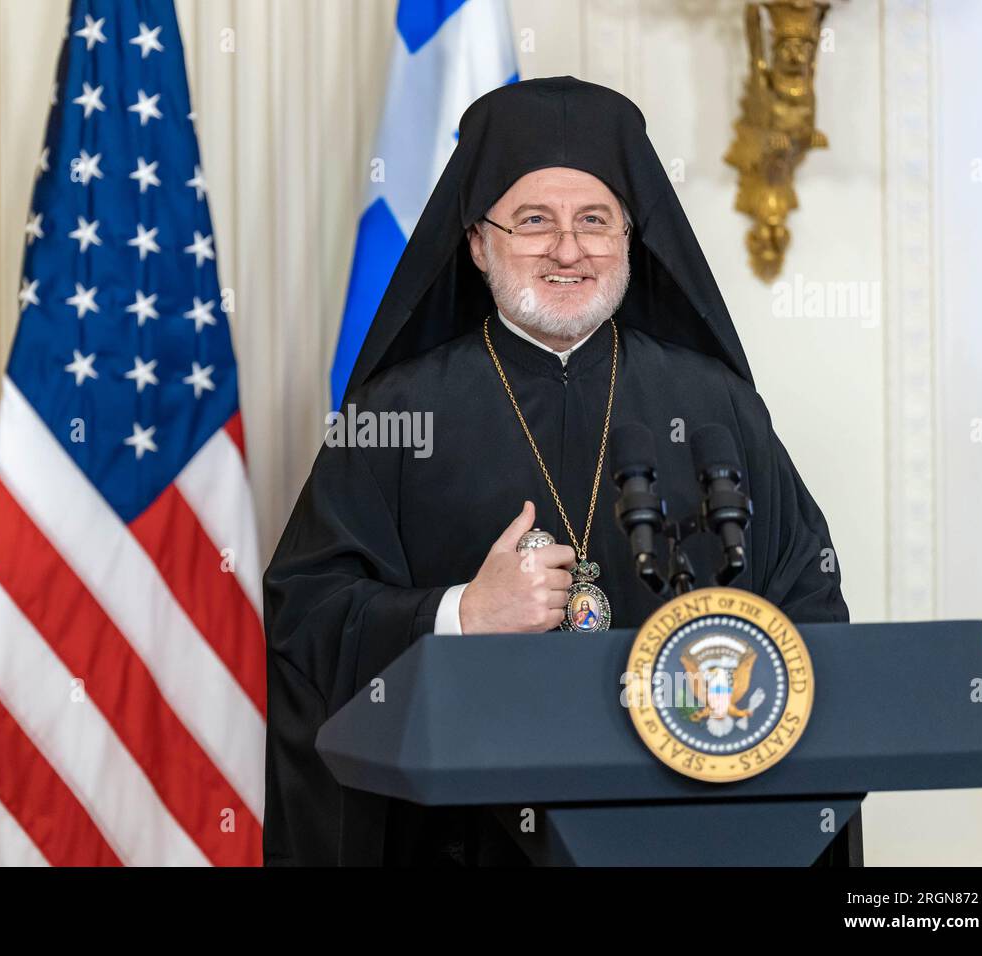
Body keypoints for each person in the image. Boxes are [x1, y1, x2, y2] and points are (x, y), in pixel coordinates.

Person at [262, 76, 856, 866]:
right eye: (534, 221)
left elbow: (808, 599)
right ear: (477, 242)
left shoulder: (716, 404)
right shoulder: (393, 413)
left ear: (631, 237)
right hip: (466, 843)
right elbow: (306, 612)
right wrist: (460, 615)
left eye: (595, 222)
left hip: (688, 833)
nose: (568, 250)